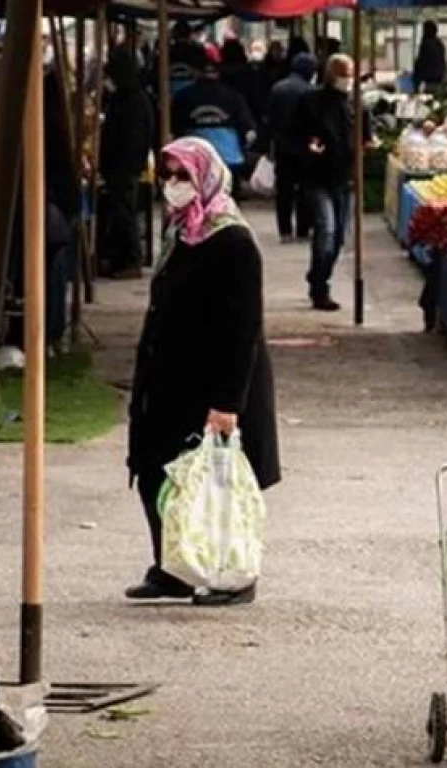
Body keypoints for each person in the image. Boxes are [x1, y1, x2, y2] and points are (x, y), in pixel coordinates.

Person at [126, 137, 279, 606]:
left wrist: (227, 402)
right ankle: (174, 567)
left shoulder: (231, 239)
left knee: (216, 482)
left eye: (182, 177)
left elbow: (242, 328)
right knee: (160, 473)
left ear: (206, 179)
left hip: (212, 381)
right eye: (168, 176)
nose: (172, 186)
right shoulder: (181, 231)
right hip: (170, 376)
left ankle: (233, 574)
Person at [297, 53, 372, 311]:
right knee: (326, 230)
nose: (347, 80)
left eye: (350, 74)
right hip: (317, 177)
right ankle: (319, 287)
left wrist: (366, 147)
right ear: (331, 75)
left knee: (339, 236)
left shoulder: (357, 104)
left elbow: (366, 137)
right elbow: (297, 134)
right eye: (343, 74)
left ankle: (319, 276)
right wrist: (309, 145)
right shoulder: (311, 101)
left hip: (346, 179)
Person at [100, 45, 154, 279]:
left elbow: (131, 136)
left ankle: (131, 259)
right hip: (124, 164)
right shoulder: (131, 97)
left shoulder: (131, 100)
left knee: (124, 212)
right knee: (121, 210)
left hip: (123, 165)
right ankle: (121, 257)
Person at [172, 45, 256, 180]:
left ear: (197, 73)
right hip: (228, 156)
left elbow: (176, 126)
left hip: (195, 154)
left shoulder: (183, 96)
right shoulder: (232, 95)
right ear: (218, 74)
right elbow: (246, 124)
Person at [268, 52, 316, 244]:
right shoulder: (311, 91)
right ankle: (303, 229)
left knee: (284, 189)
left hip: (283, 146)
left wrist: (269, 146)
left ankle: (285, 231)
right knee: (305, 189)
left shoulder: (278, 88)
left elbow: (270, 120)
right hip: (305, 148)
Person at [413, 20, 446, 92]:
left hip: (431, 76)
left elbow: (422, 61)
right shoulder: (439, 44)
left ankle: (416, 90)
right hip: (438, 76)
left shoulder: (427, 44)